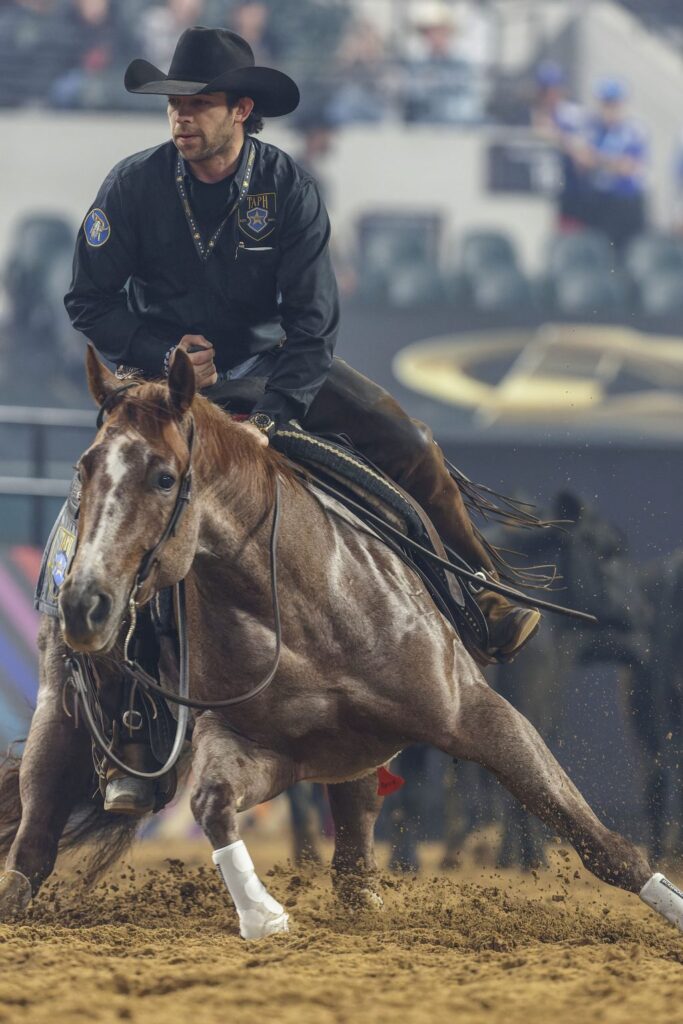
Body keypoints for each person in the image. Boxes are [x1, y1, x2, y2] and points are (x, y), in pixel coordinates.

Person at [64, 26, 540, 814]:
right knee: (123, 526)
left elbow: (312, 326)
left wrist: (273, 421)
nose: (182, 118)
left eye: (200, 104)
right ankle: (135, 724)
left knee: (412, 444)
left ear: (241, 110)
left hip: (274, 371)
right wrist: (163, 351)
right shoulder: (132, 186)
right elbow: (88, 300)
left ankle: (479, 595)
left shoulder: (285, 188)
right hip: (168, 385)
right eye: (176, 105)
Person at [579, 78, 648, 252]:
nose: (609, 109)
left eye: (613, 103)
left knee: (626, 251)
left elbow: (628, 167)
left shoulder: (633, 130)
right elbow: (583, 161)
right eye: (605, 103)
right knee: (598, 249)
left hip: (625, 201)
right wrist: (610, 161)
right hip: (598, 199)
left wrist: (599, 159)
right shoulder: (593, 128)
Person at [531, 60, 589, 232]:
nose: (550, 95)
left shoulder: (573, 115)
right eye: (545, 90)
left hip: (569, 188)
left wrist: (557, 138)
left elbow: (583, 156)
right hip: (539, 186)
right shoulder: (531, 113)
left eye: (554, 89)